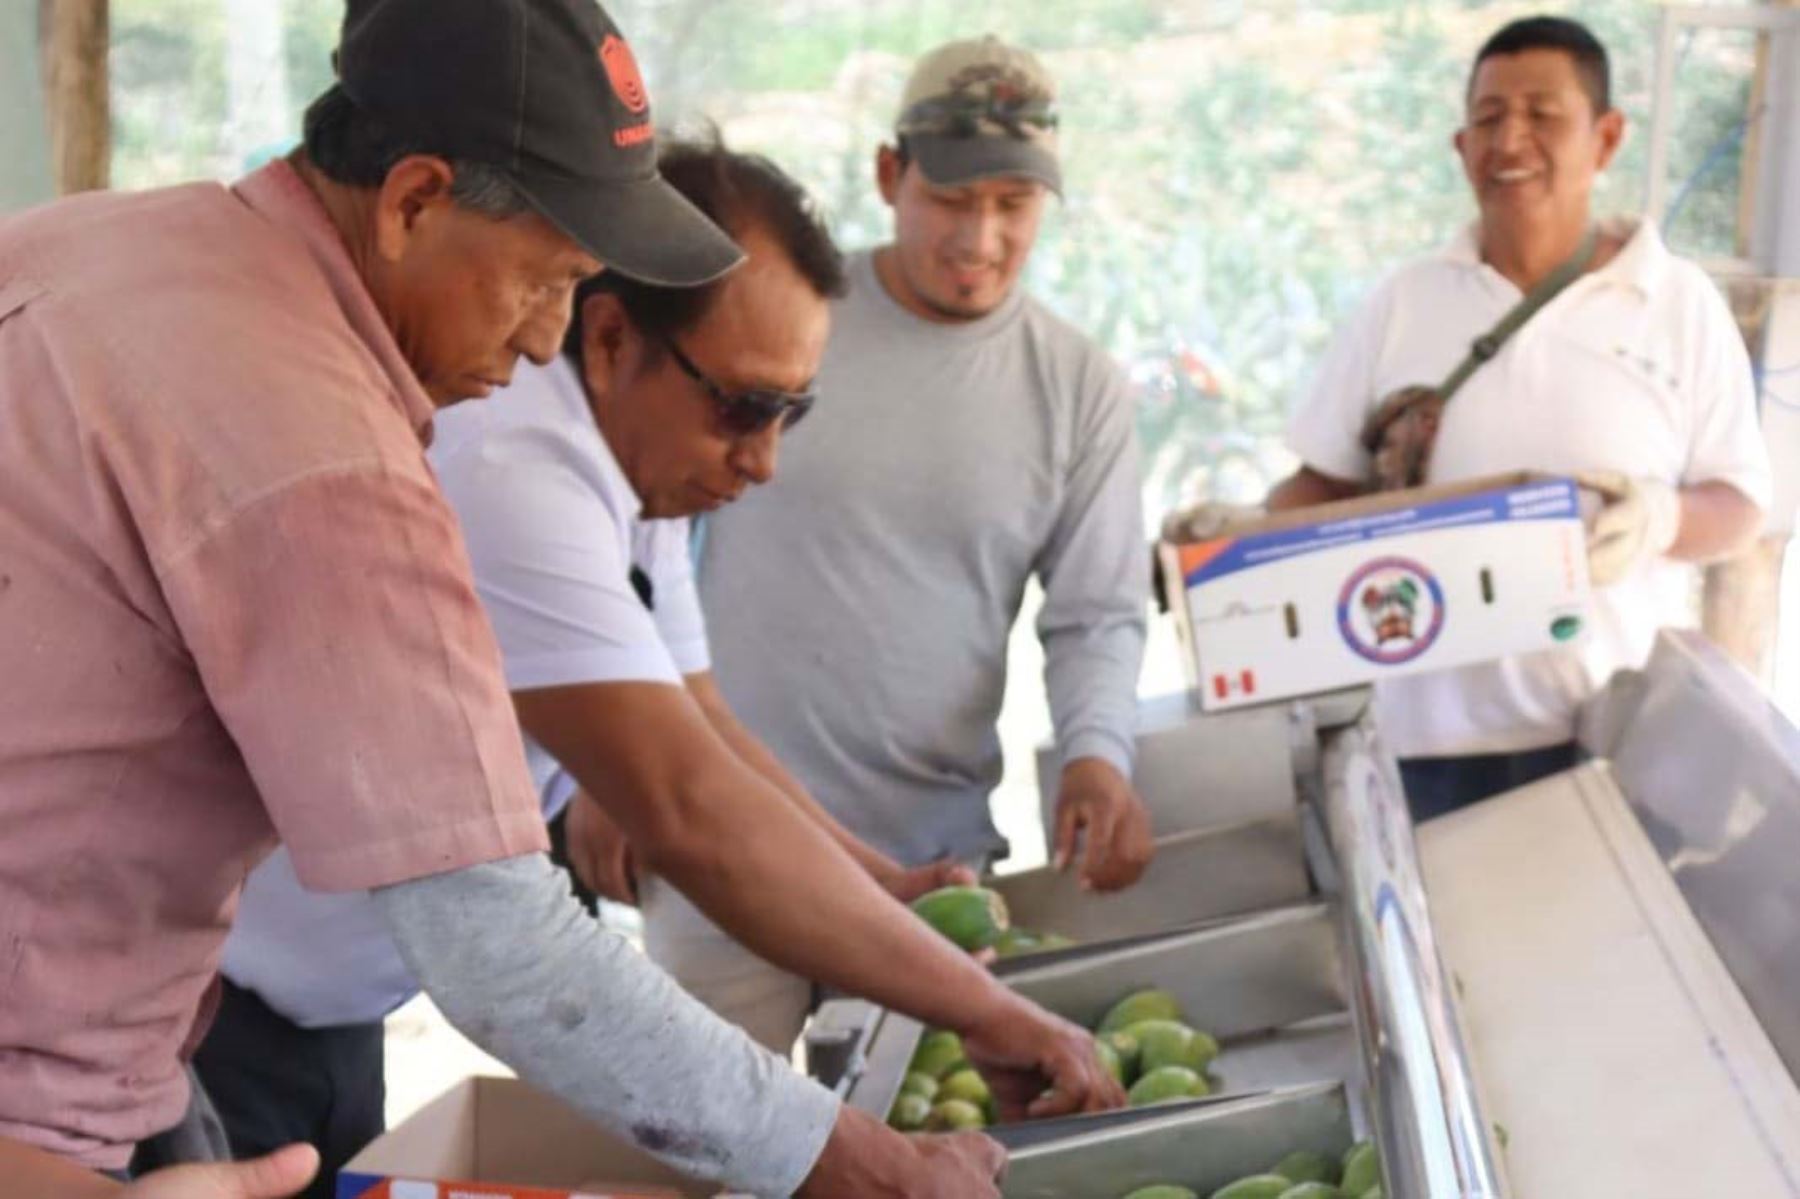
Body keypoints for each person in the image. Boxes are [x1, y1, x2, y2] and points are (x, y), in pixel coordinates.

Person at [0, 2, 1091, 1194]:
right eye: (547, 279)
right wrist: (862, 1165)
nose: (545, 341)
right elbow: (505, 941)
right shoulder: (330, 456)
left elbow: (695, 748)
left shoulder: (92, 245)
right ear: (414, 202)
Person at [649, 34, 1154, 1051]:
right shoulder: (787, 318)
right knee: (701, 1156)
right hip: (718, 841)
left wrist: (1099, 754)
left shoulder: (1078, 386)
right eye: (954, 199)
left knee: (908, 1145)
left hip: (929, 871)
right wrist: (607, 775)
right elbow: (634, 533)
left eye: (1012, 204)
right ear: (890, 175)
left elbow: (1097, 613)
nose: (981, 235)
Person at [1250, 15, 1770, 819]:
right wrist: (1234, 543)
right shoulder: (1405, 301)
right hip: (1419, 744)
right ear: (1461, 149)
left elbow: (1738, 508)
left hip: (1610, 737)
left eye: (1542, 114)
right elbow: (1324, 485)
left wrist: (1660, 517)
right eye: (1488, 119)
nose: (1510, 140)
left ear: (1605, 138)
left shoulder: (1677, 304)